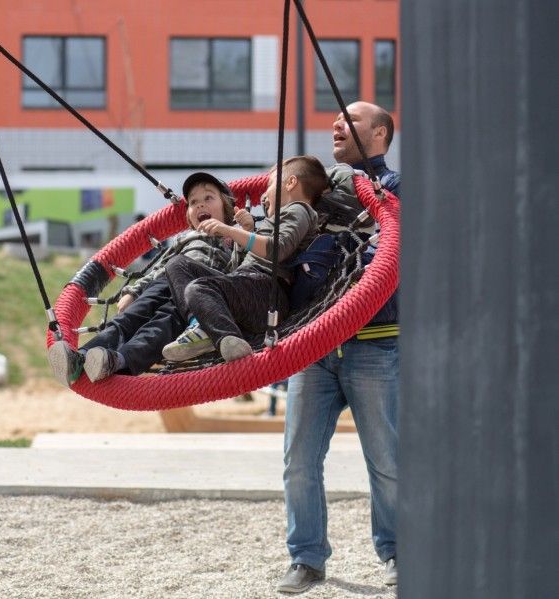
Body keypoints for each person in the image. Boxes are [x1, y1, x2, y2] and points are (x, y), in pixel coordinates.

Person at [276, 101, 401, 594]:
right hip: (313, 345)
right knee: (298, 460)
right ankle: (306, 559)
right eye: (335, 118)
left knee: (386, 460)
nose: (335, 125)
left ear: (380, 134)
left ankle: (398, 551)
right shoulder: (318, 194)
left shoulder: (395, 191)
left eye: (351, 120)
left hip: (374, 344)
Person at [47, 172, 243, 385]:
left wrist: (243, 230)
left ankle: (118, 360)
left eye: (208, 198)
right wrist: (134, 291)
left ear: (226, 207)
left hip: (196, 294)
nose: (200, 205)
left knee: (163, 325)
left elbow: (249, 269)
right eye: (193, 202)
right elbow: (159, 267)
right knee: (127, 319)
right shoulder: (185, 238)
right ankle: (82, 356)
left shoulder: (235, 238)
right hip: (165, 281)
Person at [161, 156, 328, 364]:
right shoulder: (277, 219)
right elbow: (237, 269)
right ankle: (200, 325)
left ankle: (227, 339)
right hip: (250, 286)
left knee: (199, 288)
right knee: (177, 264)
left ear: (291, 183)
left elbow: (277, 249)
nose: (264, 196)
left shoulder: (299, 209)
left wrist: (229, 230)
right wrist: (248, 230)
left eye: (270, 185)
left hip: (268, 294)